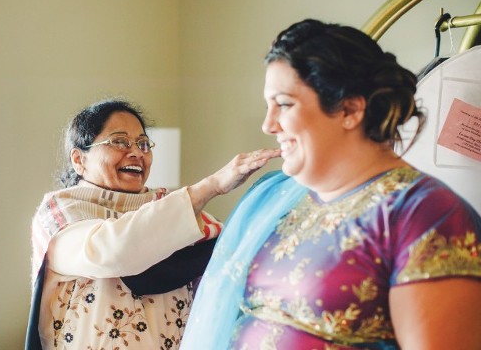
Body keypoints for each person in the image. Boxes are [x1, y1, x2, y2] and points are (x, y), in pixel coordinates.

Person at [181, 19, 481, 350]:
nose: (268, 124)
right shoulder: (281, 202)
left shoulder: (425, 215)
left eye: (283, 103)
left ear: (349, 109)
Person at [26, 98, 280, 349]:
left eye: (143, 143)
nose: (137, 152)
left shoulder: (169, 210)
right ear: (79, 159)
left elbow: (236, 253)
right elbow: (115, 251)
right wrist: (211, 186)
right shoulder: (61, 216)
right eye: (119, 141)